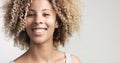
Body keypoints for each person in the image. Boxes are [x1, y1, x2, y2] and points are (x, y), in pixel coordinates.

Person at [3, 0, 80, 63]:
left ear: (57, 21)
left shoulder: (72, 61)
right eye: (30, 14)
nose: (38, 20)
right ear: (22, 22)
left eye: (46, 14)